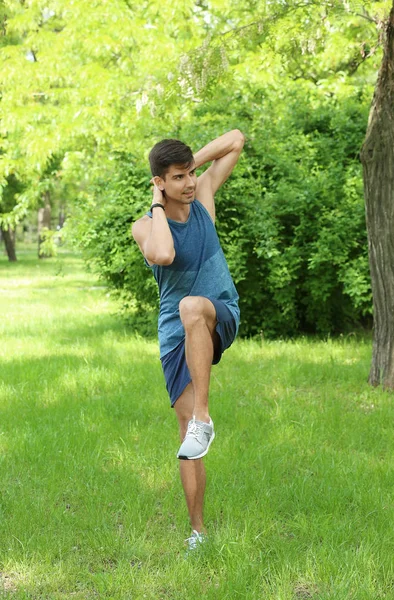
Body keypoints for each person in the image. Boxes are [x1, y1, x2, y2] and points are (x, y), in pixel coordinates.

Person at [131, 129, 244, 549]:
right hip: (176, 335)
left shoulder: (205, 197)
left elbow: (235, 139)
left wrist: (190, 163)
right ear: (159, 183)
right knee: (186, 439)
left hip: (219, 311)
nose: (190, 183)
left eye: (191, 173)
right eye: (177, 177)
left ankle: (204, 417)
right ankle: (198, 531)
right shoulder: (144, 226)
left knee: (193, 306)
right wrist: (158, 204)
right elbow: (162, 254)